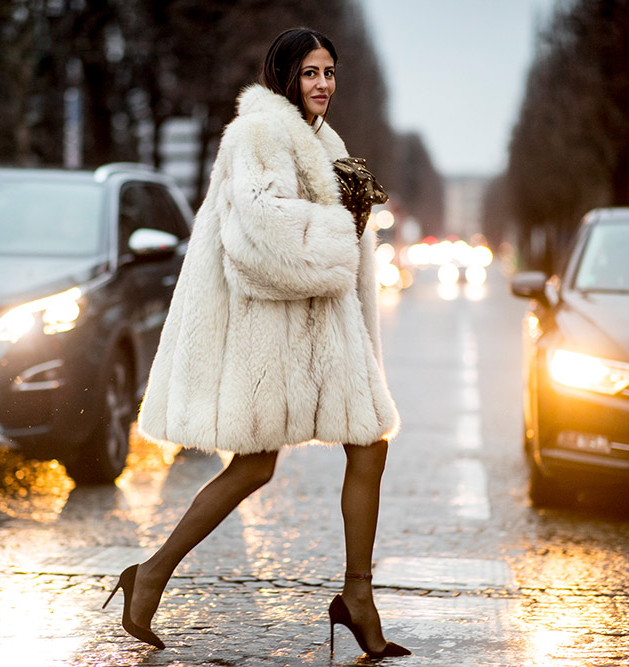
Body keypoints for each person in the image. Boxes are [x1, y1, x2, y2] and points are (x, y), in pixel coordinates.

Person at [103, 27, 409, 659]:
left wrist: (353, 217)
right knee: (255, 466)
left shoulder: (329, 142)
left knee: (369, 444)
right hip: (269, 330)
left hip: (321, 327)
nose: (323, 83)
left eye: (330, 73)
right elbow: (258, 234)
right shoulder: (258, 134)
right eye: (311, 73)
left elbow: (327, 235)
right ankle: (151, 574)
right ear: (285, 76)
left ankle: (358, 596)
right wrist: (340, 226)